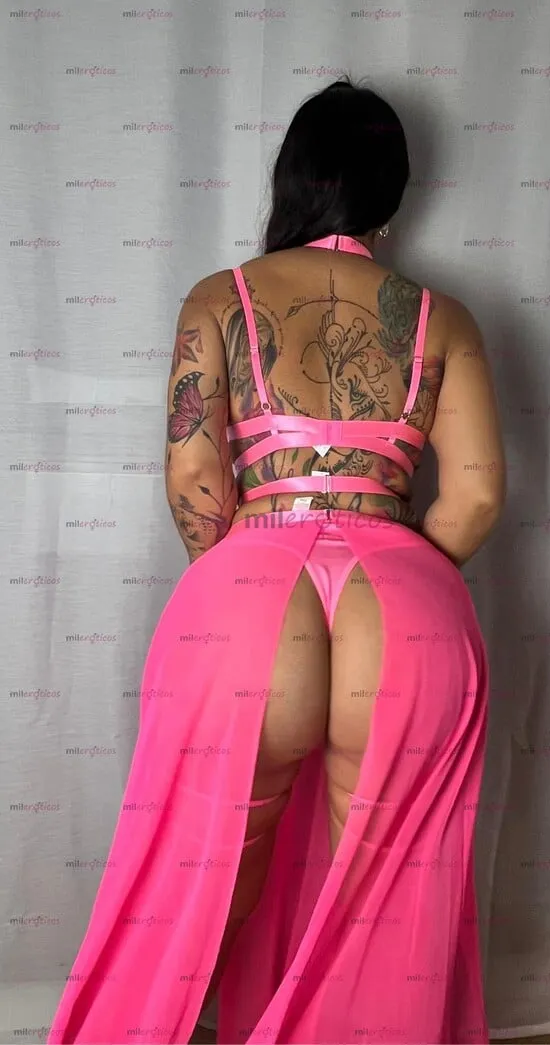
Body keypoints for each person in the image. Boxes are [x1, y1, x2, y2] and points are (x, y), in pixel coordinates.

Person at [48, 78, 506, 1045]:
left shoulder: (220, 298)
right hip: (402, 606)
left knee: (197, 882)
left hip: (254, 591)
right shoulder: (444, 318)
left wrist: (238, 578)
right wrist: (402, 565)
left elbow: (193, 474)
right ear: (391, 194)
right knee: (379, 908)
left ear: (291, 180)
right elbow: (473, 498)